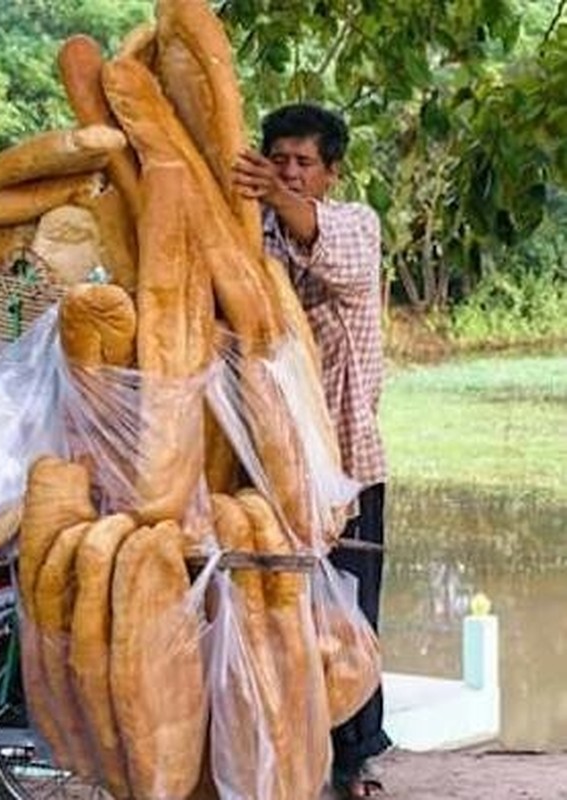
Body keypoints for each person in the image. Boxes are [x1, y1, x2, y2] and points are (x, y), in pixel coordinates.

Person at [232, 103, 391, 798]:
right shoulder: (247, 232)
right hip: (266, 468)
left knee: (347, 619)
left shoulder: (355, 224)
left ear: (331, 172)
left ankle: (351, 763)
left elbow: (334, 257)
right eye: (279, 159)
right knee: (274, 615)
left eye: (304, 163)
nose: (290, 173)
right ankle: (284, 754)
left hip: (347, 469)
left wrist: (270, 193)